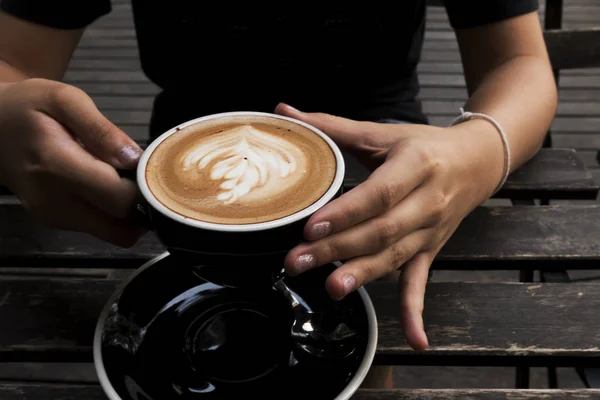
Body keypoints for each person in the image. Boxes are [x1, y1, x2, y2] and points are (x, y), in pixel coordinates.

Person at [0, 0, 557, 386]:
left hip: (389, 183)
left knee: (359, 370)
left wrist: (479, 150)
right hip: (175, 200)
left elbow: (519, 61)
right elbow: (16, 60)